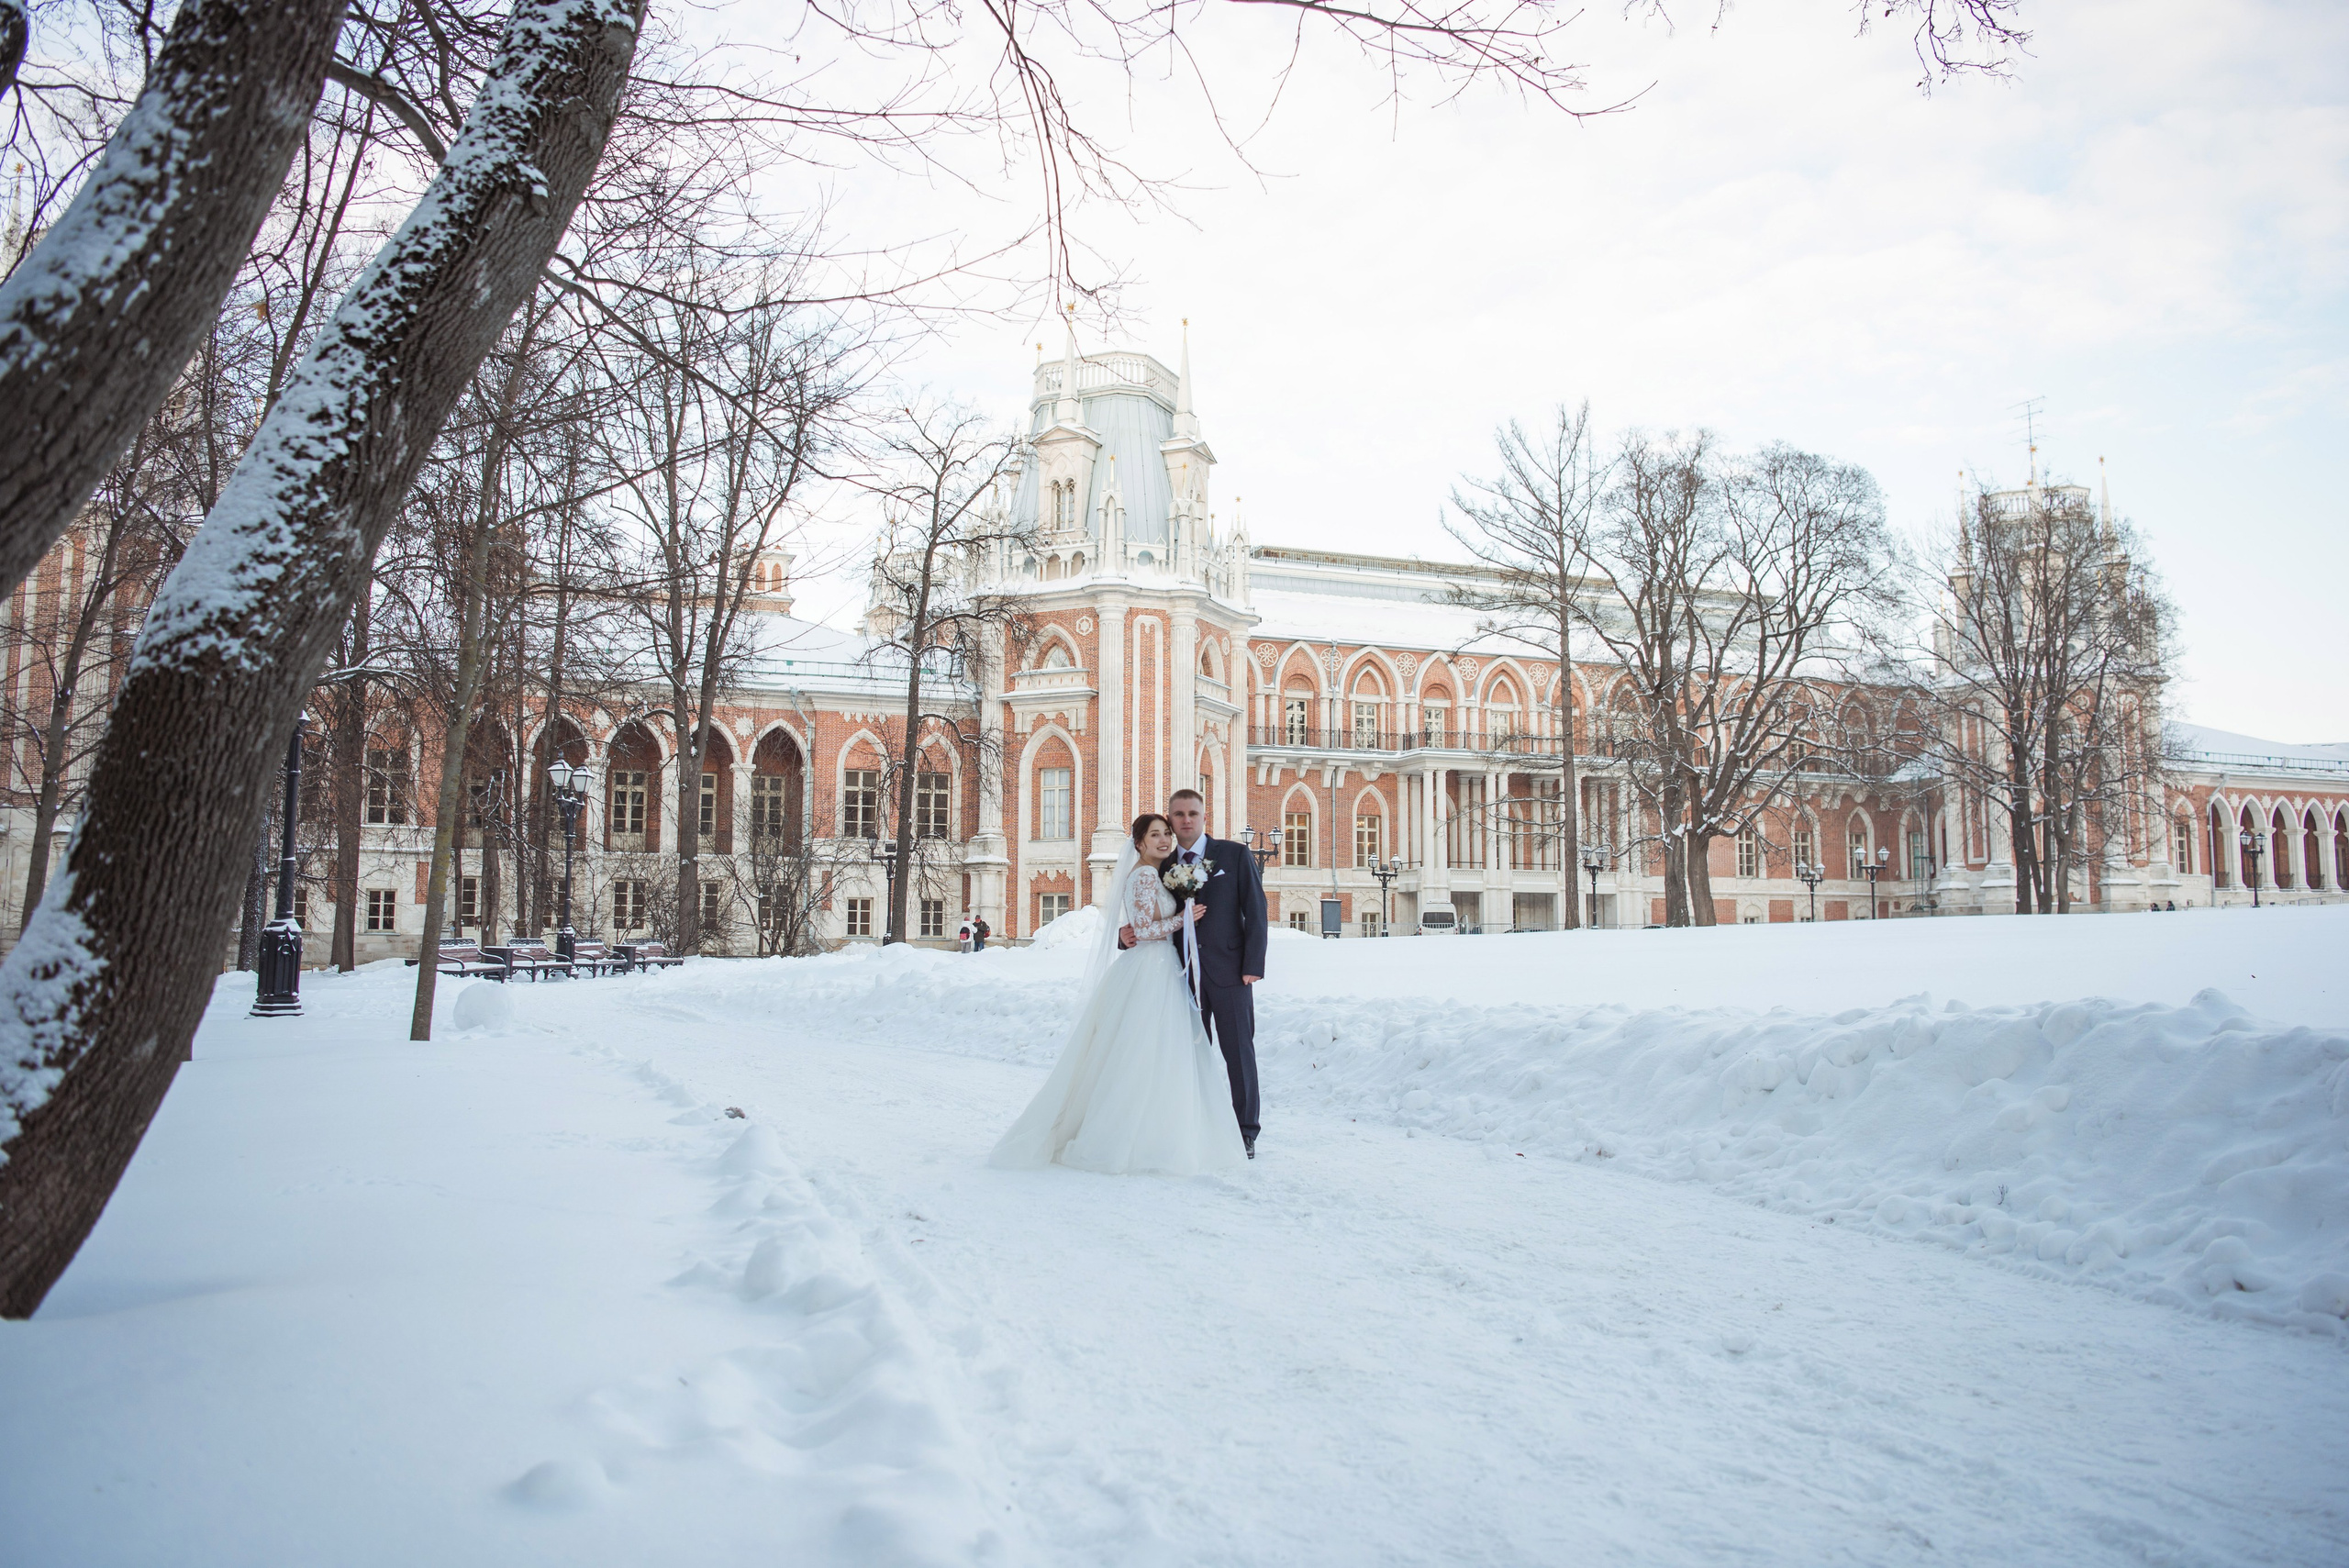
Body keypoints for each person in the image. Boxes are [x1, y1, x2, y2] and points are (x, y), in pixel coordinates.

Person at [987, 813, 1248, 1175]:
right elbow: (1143, 929)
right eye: (1154, 835)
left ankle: (1158, 1128)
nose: (1163, 841)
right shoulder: (1142, 875)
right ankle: (1127, 1134)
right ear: (1138, 843)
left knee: (1159, 1052)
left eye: (1166, 835)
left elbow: (1140, 925)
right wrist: (1186, 918)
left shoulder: (1157, 873)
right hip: (1148, 970)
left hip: (1161, 968)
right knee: (1140, 1052)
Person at [1117, 787, 1269, 1159]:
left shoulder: (1233, 854)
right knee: (1187, 1055)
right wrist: (1125, 938)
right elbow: (1146, 915)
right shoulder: (1161, 863)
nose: (1185, 821)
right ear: (1170, 820)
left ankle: (1245, 1131)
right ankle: (1198, 1125)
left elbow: (1257, 909)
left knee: (1239, 1055)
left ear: (1204, 817)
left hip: (1231, 973)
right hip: (1179, 977)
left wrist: (1253, 966)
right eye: (1178, 815)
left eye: (1192, 814)